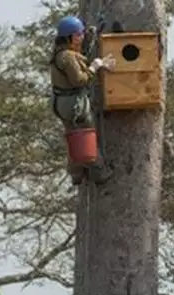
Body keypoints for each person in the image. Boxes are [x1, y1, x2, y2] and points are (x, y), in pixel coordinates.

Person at [50, 15, 116, 186]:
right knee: (86, 139)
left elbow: (80, 56)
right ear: (69, 37)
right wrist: (94, 67)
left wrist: (90, 37)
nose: (80, 38)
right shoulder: (68, 57)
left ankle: (76, 173)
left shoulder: (61, 53)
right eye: (78, 35)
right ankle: (101, 173)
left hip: (61, 103)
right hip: (74, 105)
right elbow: (79, 80)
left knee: (73, 137)